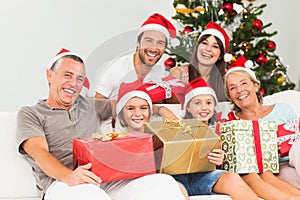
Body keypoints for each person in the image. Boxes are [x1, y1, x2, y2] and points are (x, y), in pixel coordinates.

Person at [16, 48, 189, 200]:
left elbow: (128, 103)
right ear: (50, 75)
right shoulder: (31, 113)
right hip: (62, 183)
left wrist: (160, 110)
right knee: (92, 196)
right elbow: (40, 154)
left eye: (79, 79)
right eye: (67, 75)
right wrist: (69, 176)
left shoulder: (91, 105)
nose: (73, 84)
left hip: (105, 180)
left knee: (163, 184)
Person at [223, 55, 300, 200]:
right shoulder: (232, 123)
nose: (239, 90)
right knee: (283, 177)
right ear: (230, 96)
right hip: (277, 171)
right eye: (232, 88)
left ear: (256, 86)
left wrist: (283, 143)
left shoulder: (282, 109)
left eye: (244, 83)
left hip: (294, 159)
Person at [170, 77, 259, 199]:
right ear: (188, 108)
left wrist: (220, 160)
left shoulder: (220, 130)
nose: (204, 107)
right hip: (177, 178)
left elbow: (228, 164)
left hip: (203, 177)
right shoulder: (176, 126)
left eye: (208, 102)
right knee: (174, 190)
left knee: (231, 177)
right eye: (197, 103)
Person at [114, 78, 190, 199]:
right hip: (128, 186)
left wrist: (162, 110)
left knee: (179, 188)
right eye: (130, 108)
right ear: (122, 114)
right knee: (167, 184)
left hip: (159, 180)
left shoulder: (157, 138)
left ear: (149, 113)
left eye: (143, 108)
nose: (138, 113)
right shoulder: (115, 141)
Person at [94, 13, 178, 100]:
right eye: (149, 41)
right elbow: (96, 107)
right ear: (138, 42)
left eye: (160, 43)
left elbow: (171, 106)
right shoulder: (116, 69)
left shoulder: (160, 74)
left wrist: (176, 76)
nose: (154, 48)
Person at [170, 21, 231, 102]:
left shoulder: (227, 78)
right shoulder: (178, 74)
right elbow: (172, 109)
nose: (208, 49)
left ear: (220, 55)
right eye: (204, 43)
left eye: (215, 46)